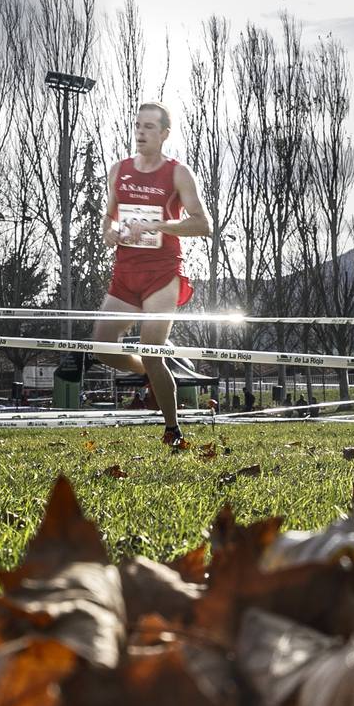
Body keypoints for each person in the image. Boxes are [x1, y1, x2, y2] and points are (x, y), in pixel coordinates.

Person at [86, 102, 212, 450]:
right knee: (102, 347)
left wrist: (159, 225)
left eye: (149, 128)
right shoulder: (119, 169)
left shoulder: (178, 173)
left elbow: (203, 224)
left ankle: (173, 428)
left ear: (164, 134)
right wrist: (108, 232)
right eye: (137, 126)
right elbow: (107, 217)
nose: (140, 133)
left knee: (153, 349)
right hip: (125, 272)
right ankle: (149, 372)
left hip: (162, 273)